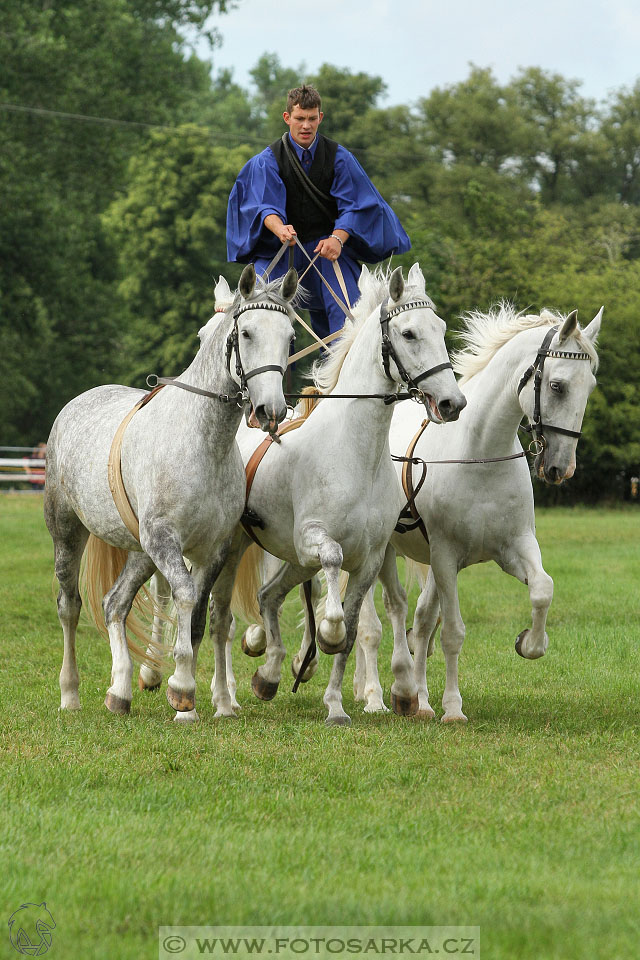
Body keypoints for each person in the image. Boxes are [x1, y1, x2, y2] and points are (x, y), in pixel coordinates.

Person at [226, 84, 411, 340]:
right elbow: (263, 205)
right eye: (300, 118)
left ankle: (341, 377)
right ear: (287, 117)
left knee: (351, 317)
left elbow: (355, 205)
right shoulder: (267, 160)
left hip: (328, 249)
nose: (306, 125)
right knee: (256, 308)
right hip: (281, 249)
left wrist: (338, 238)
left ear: (320, 118)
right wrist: (279, 228)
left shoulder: (340, 158)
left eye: (312, 119)